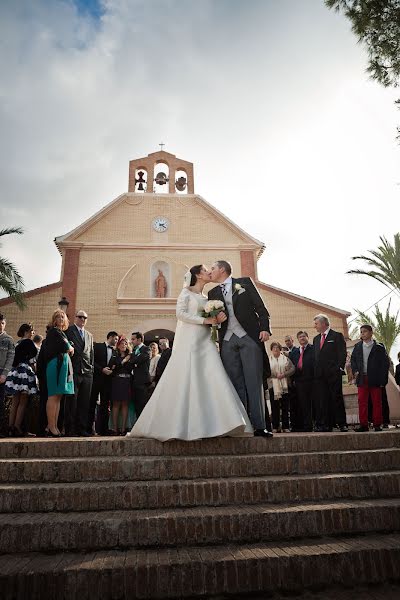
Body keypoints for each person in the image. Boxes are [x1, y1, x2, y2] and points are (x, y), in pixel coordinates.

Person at [127, 265, 253, 441]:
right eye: (206, 270)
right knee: (189, 376)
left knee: (211, 375)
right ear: (197, 275)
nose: (209, 271)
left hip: (206, 340)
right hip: (190, 340)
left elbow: (211, 321)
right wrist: (206, 320)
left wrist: (216, 321)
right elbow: (180, 314)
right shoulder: (185, 293)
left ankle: (220, 424)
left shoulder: (207, 297)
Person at [208, 260, 272, 437]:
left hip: (249, 338)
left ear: (222, 269)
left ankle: (260, 426)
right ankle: (241, 426)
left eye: (212, 268)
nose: (210, 271)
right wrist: (216, 321)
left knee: (254, 382)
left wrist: (265, 328)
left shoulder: (244, 283)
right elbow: (211, 320)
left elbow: (261, 308)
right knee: (235, 384)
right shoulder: (212, 293)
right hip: (227, 341)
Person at [313, 314, 348, 432]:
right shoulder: (316, 339)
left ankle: (342, 424)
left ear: (324, 323)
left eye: (316, 324)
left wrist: (339, 368)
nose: (315, 326)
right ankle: (327, 425)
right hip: (320, 376)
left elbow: (342, 353)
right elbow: (316, 357)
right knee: (324, 400)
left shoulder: (337, 336)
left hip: (333, 374)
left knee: (336, 398)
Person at [351, 324, 389, 432]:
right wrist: (355, 371)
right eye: (361, 332)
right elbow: (353, 360)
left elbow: (384, 364)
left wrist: (383, 380)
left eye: (365, 331)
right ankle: (363, 425)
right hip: (362, 378)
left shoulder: (379, 347)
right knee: (362, 401)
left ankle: (377, 424)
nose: (362, 333)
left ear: (371, 332)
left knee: (377, 401)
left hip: (375, 378)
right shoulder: (357, 346)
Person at [43, 310, 75, 437]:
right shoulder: (54, 331)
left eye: (63, 317)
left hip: (62, 365)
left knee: (58, 397)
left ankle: (55, 426)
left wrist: (70, 347)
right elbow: (68, 347)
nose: (61, 319)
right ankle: (51, 426)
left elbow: (68, 346)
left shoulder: (62, 333)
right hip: (55, 365)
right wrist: (70, 347)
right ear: (54, 320)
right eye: (58, 317)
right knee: (53, 396)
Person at [5, 323, 37, 437]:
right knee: (23, 401)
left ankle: (10, 427)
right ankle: (17, 427)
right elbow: (34, 354)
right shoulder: (29, 342)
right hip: (24, 371)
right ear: (26, 331)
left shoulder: (17, 343)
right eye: (32, 331)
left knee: (14, 401)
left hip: (15, 371)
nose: (33, 333)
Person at [65, 310, 94, 436]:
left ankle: (82, 429)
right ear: (75, 318)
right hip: (74, 371)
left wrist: (91, 369)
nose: (83, 319)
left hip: (87, 373)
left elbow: (91, 354)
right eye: (80, 317)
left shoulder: (89, 335)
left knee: (84, 403)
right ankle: (70, 429)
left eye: (85, 317)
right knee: (72, 402)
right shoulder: (69, 331)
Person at [90, 331, 118, 435]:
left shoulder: (115, 352)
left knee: (105, 405)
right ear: (110, 337)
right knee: (92, 403)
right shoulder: (98, 346)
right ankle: (89, 428)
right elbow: (92, 361)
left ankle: (104, 429)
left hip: (107, 382)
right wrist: (102, 369)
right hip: (96, 380)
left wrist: (112, 371)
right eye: (115, 339)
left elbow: (116, 365)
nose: (116, 341)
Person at [108, 335, 133, 435]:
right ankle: (114, 429)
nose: (124, 345)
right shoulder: (114, 356)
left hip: (127, 382)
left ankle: (123, 429)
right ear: (118, 346)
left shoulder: (131, 356)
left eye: (126, 343)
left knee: (125, 405)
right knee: (116, 405)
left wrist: (121, 364)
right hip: (117, 382)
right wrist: (123, 361)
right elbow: (112, 368)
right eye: (122, 343)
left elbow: (129, 369)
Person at [268, 342, 295, 433]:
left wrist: (284, 374)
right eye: (274, 348)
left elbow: (292, 369)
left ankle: (285, 426)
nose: (275, 349)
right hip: (273, 386)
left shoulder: (286, 359)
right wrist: (276, 374)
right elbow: (266, 371)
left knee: (285, 407)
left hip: (285, 386)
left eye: (277, 347)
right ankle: (275, 427)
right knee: (274, 407)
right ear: (271, 350)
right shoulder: (268, 360)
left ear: (280, 349)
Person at [292, 331, 315, 431]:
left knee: (313, 403)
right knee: (303, 404)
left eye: (304, 336)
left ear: (307, 337)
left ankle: (317, 424)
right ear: (298, 339)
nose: (302, 338)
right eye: (300, 337)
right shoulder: (295, 352)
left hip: (311, 380)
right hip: (299, 381)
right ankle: (307, 425)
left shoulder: (313, 349)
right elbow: (292, 366)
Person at [0, 314, 15, 437]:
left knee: (1, 403)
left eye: (2, 323)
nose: (0, 325)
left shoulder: (9, 340)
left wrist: (4, 374)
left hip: (1, 374)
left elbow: (10, 358)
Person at [130, 332, 151, 418]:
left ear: (139, 339)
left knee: (142, 404)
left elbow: (138, 359)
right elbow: (133, 361)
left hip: (142, 382)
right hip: (134, 381)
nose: (131, 341)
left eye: (133, 339)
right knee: (136, 404)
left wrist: (134, 361)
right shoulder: (134, 350)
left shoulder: (146, 349)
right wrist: (134, 361)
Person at [283, 334, 301, 431]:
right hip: (288, 383)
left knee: (298, 404)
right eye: (286, 341)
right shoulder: (283, 353)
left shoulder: (297, 351)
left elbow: (297, 365)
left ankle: (299, 425)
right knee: (292, 405)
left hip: (297, 381)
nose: (287, 342)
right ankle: (293, 425)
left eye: (288, 340)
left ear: (292, 340)